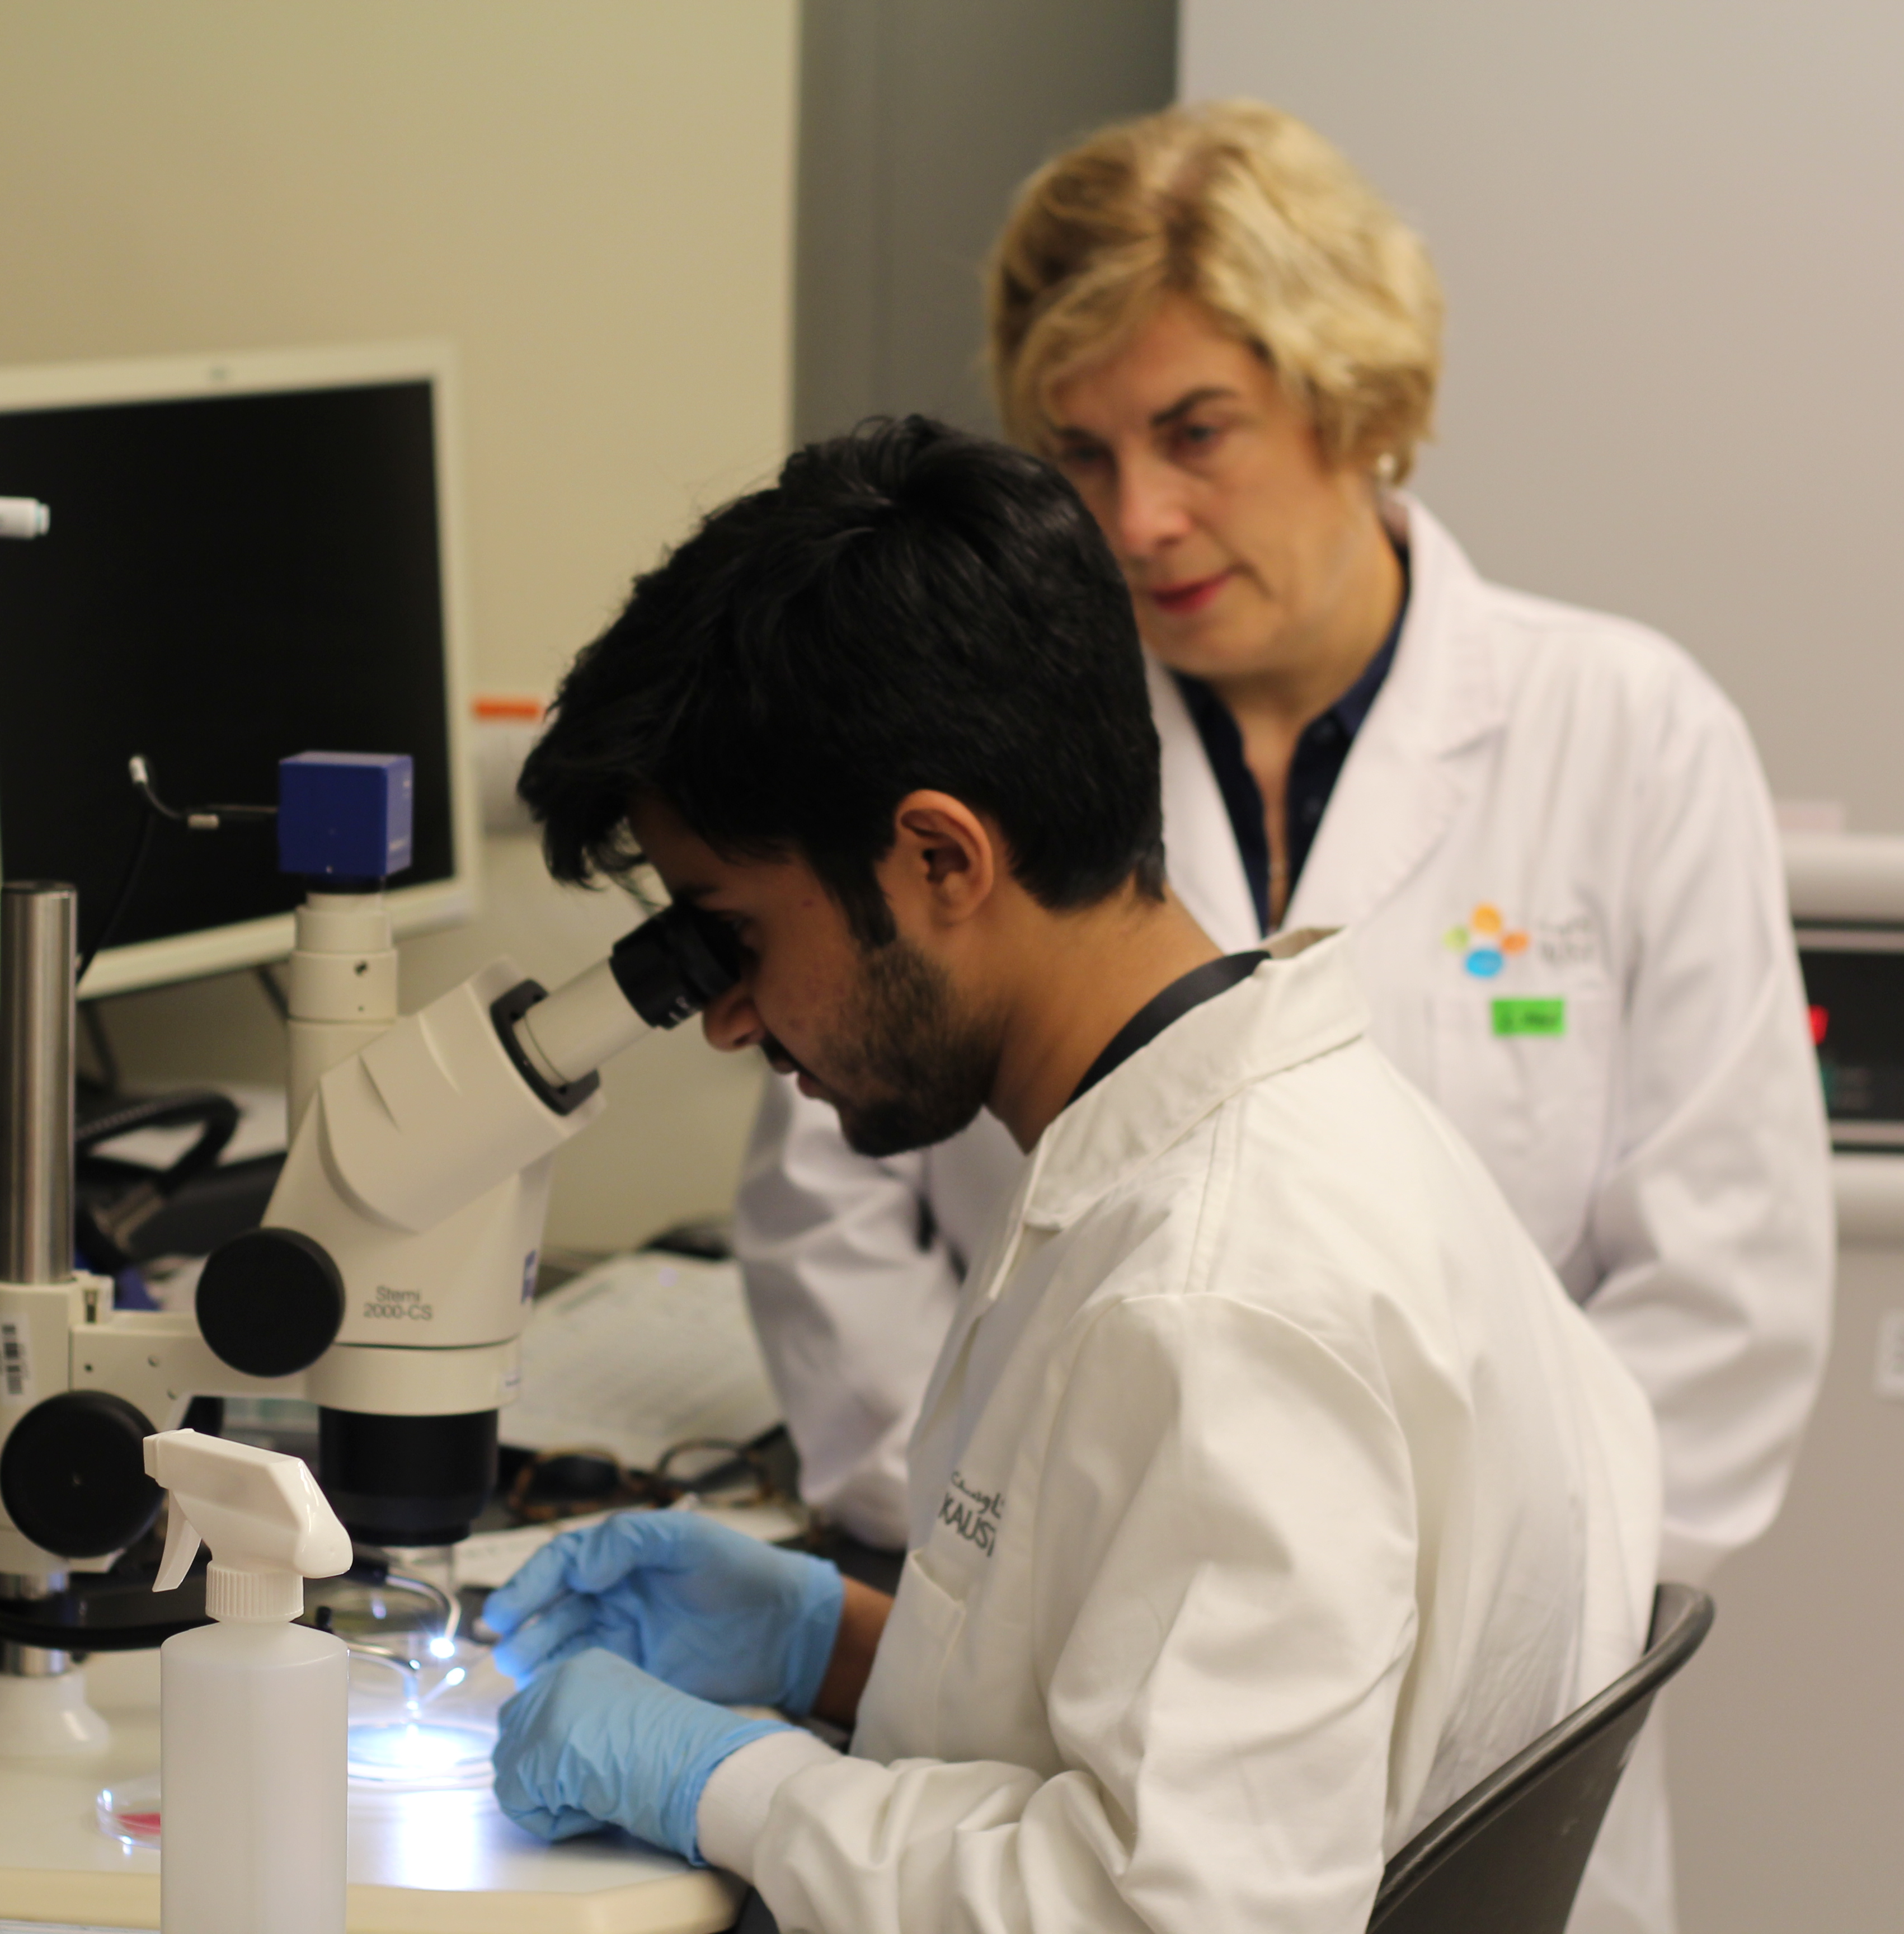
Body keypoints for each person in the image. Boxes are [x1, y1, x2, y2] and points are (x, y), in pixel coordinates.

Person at [732, 103, 1834, 1931]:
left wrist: (1402, 1654)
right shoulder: (990, 744)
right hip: (1044, 1694)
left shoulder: (1629, 734)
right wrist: (990, 1580)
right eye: (1079, 453)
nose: (1138, 519)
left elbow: (1730, 1296)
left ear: (1352, 396)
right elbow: (829, 1189)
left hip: (1477, 1754)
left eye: (1196, 433)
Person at [486, 416, 1659, 1932]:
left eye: (737, 934)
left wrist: (729, 1784)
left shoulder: (1218, 1297)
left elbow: (1178, 1916)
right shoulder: (1252, 1138)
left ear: (942, 860)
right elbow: (1182, 1717)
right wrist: (838, 1645)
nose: (723, 1017)